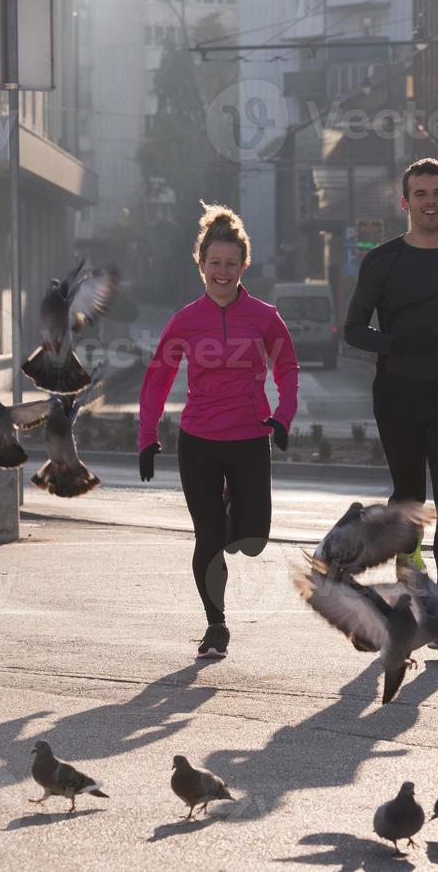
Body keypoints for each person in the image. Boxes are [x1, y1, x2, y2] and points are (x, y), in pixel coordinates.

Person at [343, 158, 438, 653]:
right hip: (398, 395)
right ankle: (409, 567)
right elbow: (353, 329)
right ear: (404, 202)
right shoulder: (383, 261)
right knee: (410, 499)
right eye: (421, 193)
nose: (430, 201)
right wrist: (400, 345)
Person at [138, 204, 299, 660]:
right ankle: (215, 625)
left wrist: (283, 415)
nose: (222, 272)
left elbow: (287, 367)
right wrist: (147, 437)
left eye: (231, 264)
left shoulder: (265, 316)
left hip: (249, 436)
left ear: (243, 266)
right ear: (201, 264)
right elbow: (158, 377)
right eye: (215, 263)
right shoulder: (187, 319)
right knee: (207, 536)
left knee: (251, 540)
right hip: (200, 441)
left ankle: (234, 513)